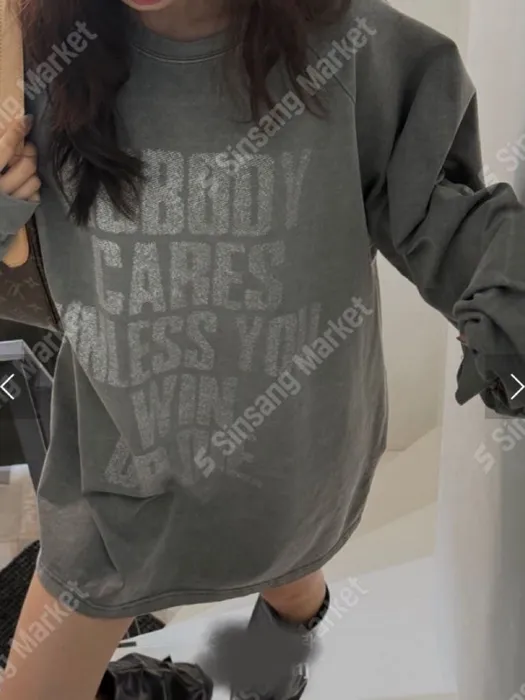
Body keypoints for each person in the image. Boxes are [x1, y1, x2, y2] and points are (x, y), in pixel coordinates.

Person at [1, 0, 525, 697]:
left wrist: (504, 300)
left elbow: (444, 211)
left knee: (287, 570)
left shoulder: (351, 46)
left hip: (293, 461)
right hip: (118, 474)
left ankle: (270, 668)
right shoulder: (37, 58)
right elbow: (23, 283)